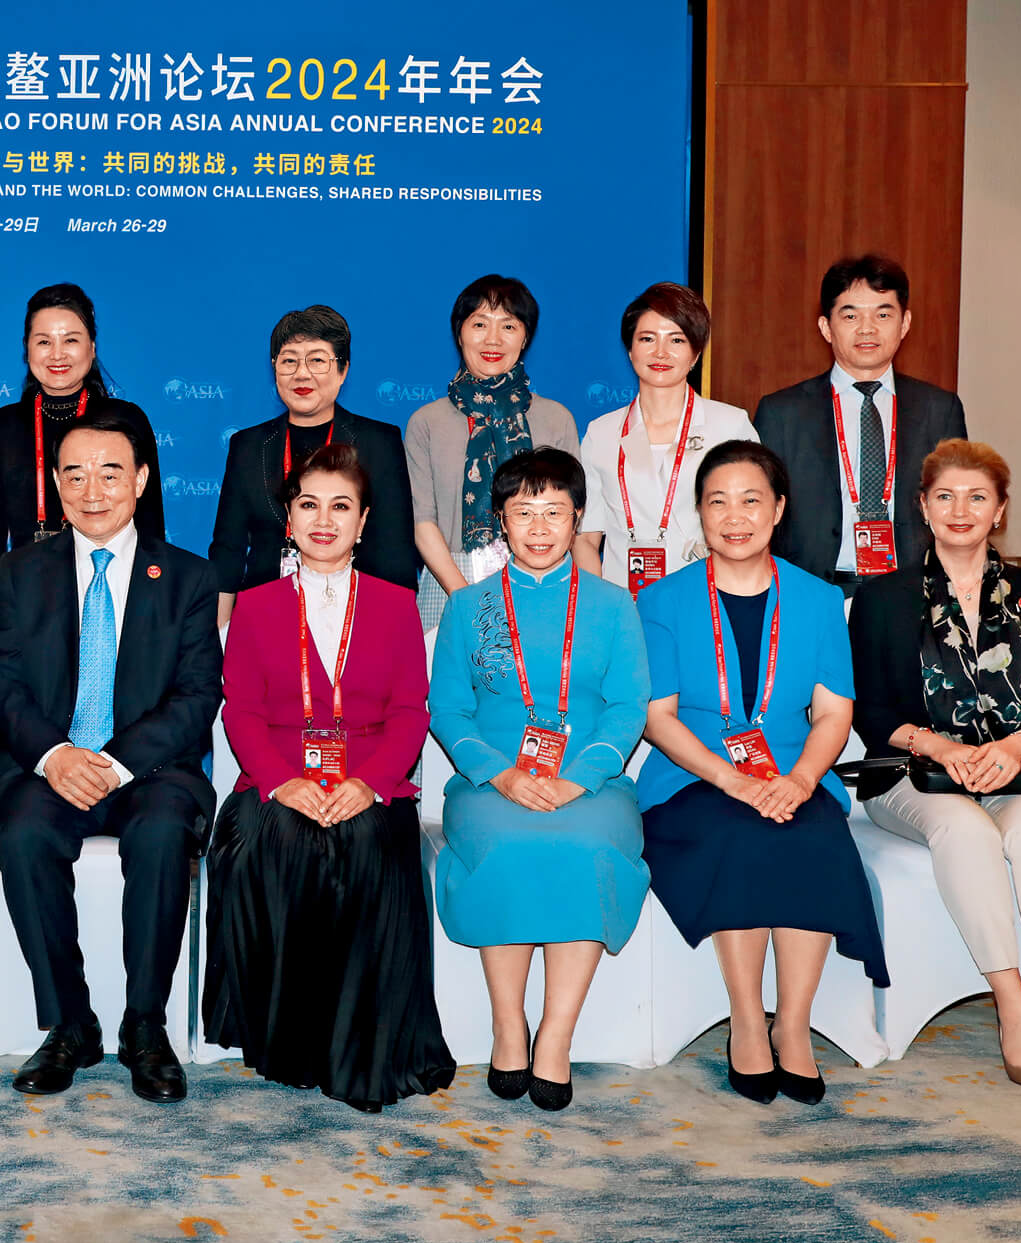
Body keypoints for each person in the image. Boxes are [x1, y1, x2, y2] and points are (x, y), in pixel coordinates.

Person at [849, 439, 1021, 1101]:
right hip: (912, 773)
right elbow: (870, 710)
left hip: (1015, 772)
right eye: (944, 496)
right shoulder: (882, 599)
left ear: (1000, 510)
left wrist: (1014, 748)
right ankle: (1014, 1006)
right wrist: (941, 748)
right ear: (922, 507)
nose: (960, 510)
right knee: (965, 831)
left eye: (977, 497)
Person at [203, 443, 454, 1112]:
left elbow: (411, 712)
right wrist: (282, 782)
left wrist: (369, 784)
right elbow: (241, 712)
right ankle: (290, 1045)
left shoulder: (397, 604)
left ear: (363, 521)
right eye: (309, 505)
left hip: (371, 777)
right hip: (276, 777)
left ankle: (359, 1053)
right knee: (279, 839)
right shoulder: (254, 606)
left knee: (365, 840)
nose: (323, 520)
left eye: (340, 507)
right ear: (288, 519)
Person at [637, 439, 888, 1105]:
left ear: (778, 509)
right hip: (693, 778)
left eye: (751, 500)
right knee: (741, 833)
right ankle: (748, 1020)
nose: (734, 516)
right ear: (699, 513)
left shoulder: (817, 599)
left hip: (792, 771)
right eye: (717, 501)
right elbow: (658, 718)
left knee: (814, 836)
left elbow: (833, 712)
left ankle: (794, 1026)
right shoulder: (662, 600)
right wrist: (734, 781)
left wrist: (800, 780)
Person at [0, 405, 220, 1103]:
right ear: (55, 485)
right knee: (21, 832)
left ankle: (145, 1027)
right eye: (75, 475)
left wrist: (116, 762)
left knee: (160, 834)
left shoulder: (187, 577)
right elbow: (4, 684)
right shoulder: (16, 573)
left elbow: (196, 695)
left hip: (151, 770)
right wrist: (54, 754)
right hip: (50, 765)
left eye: (109, 473)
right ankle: (71, 1024)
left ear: (141, 480)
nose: (91, 491)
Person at [427, 447, 649, 1111]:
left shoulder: (614, 605)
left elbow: (627, 707)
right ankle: (508, 1026)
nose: (540, 527)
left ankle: (556, 1034)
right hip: (489, 783)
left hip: (592, 783)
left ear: (578, 517)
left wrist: (579, 778)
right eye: (524, 512)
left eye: (555, 511)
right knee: (509, 843)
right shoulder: (468, 607)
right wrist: (500, 775)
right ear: (500, 520)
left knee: (587, 844)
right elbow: (449, 710)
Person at [755, 254, 966, 602]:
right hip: (813, 595)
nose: (867, 328)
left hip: (911, 598)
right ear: (826, 327)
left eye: (883, 314)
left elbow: (955, 506)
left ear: (905, 323)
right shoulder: (781, 413)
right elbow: (762, 512)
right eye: (851, 315)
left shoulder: (940, 409)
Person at [209, 304, 416, 626]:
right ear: (274, 367)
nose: (301, 374)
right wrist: (220, 639)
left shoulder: (379, 443)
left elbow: (396, 555)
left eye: (317, 360)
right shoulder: (248, 445)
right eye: (289, 361)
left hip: (355, 618)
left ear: (343, 370)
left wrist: (388, 633)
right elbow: (228, 552)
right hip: (265, 616)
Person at [405, 276, 579, 631]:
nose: (493, 339)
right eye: (480, 324)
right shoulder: (427, 422)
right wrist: (464, 596)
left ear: (525, 337)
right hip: (449, 587)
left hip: (540, 584)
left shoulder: (556, 419)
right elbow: (423, 521)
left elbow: (568, 515)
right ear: (460, 333)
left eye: (508, 326)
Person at [576, 281, 757, 596]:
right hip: (624, 602)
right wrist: (602, 606)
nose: (660, 352)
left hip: (707, 597)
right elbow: (585, 538)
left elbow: (754, 522)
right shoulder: (602, 433)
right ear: (630, 349)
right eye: (647, 338)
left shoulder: (730, 426)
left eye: (676, 339)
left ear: (695, 353)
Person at [0, 282, 164, 552]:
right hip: (24, 576)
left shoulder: (126, 421)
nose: (57, 354)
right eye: (44, 341)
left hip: (111, 573)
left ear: (92, 347)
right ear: (27, 349)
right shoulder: (5, 426)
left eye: (71, 340)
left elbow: (150, 529)